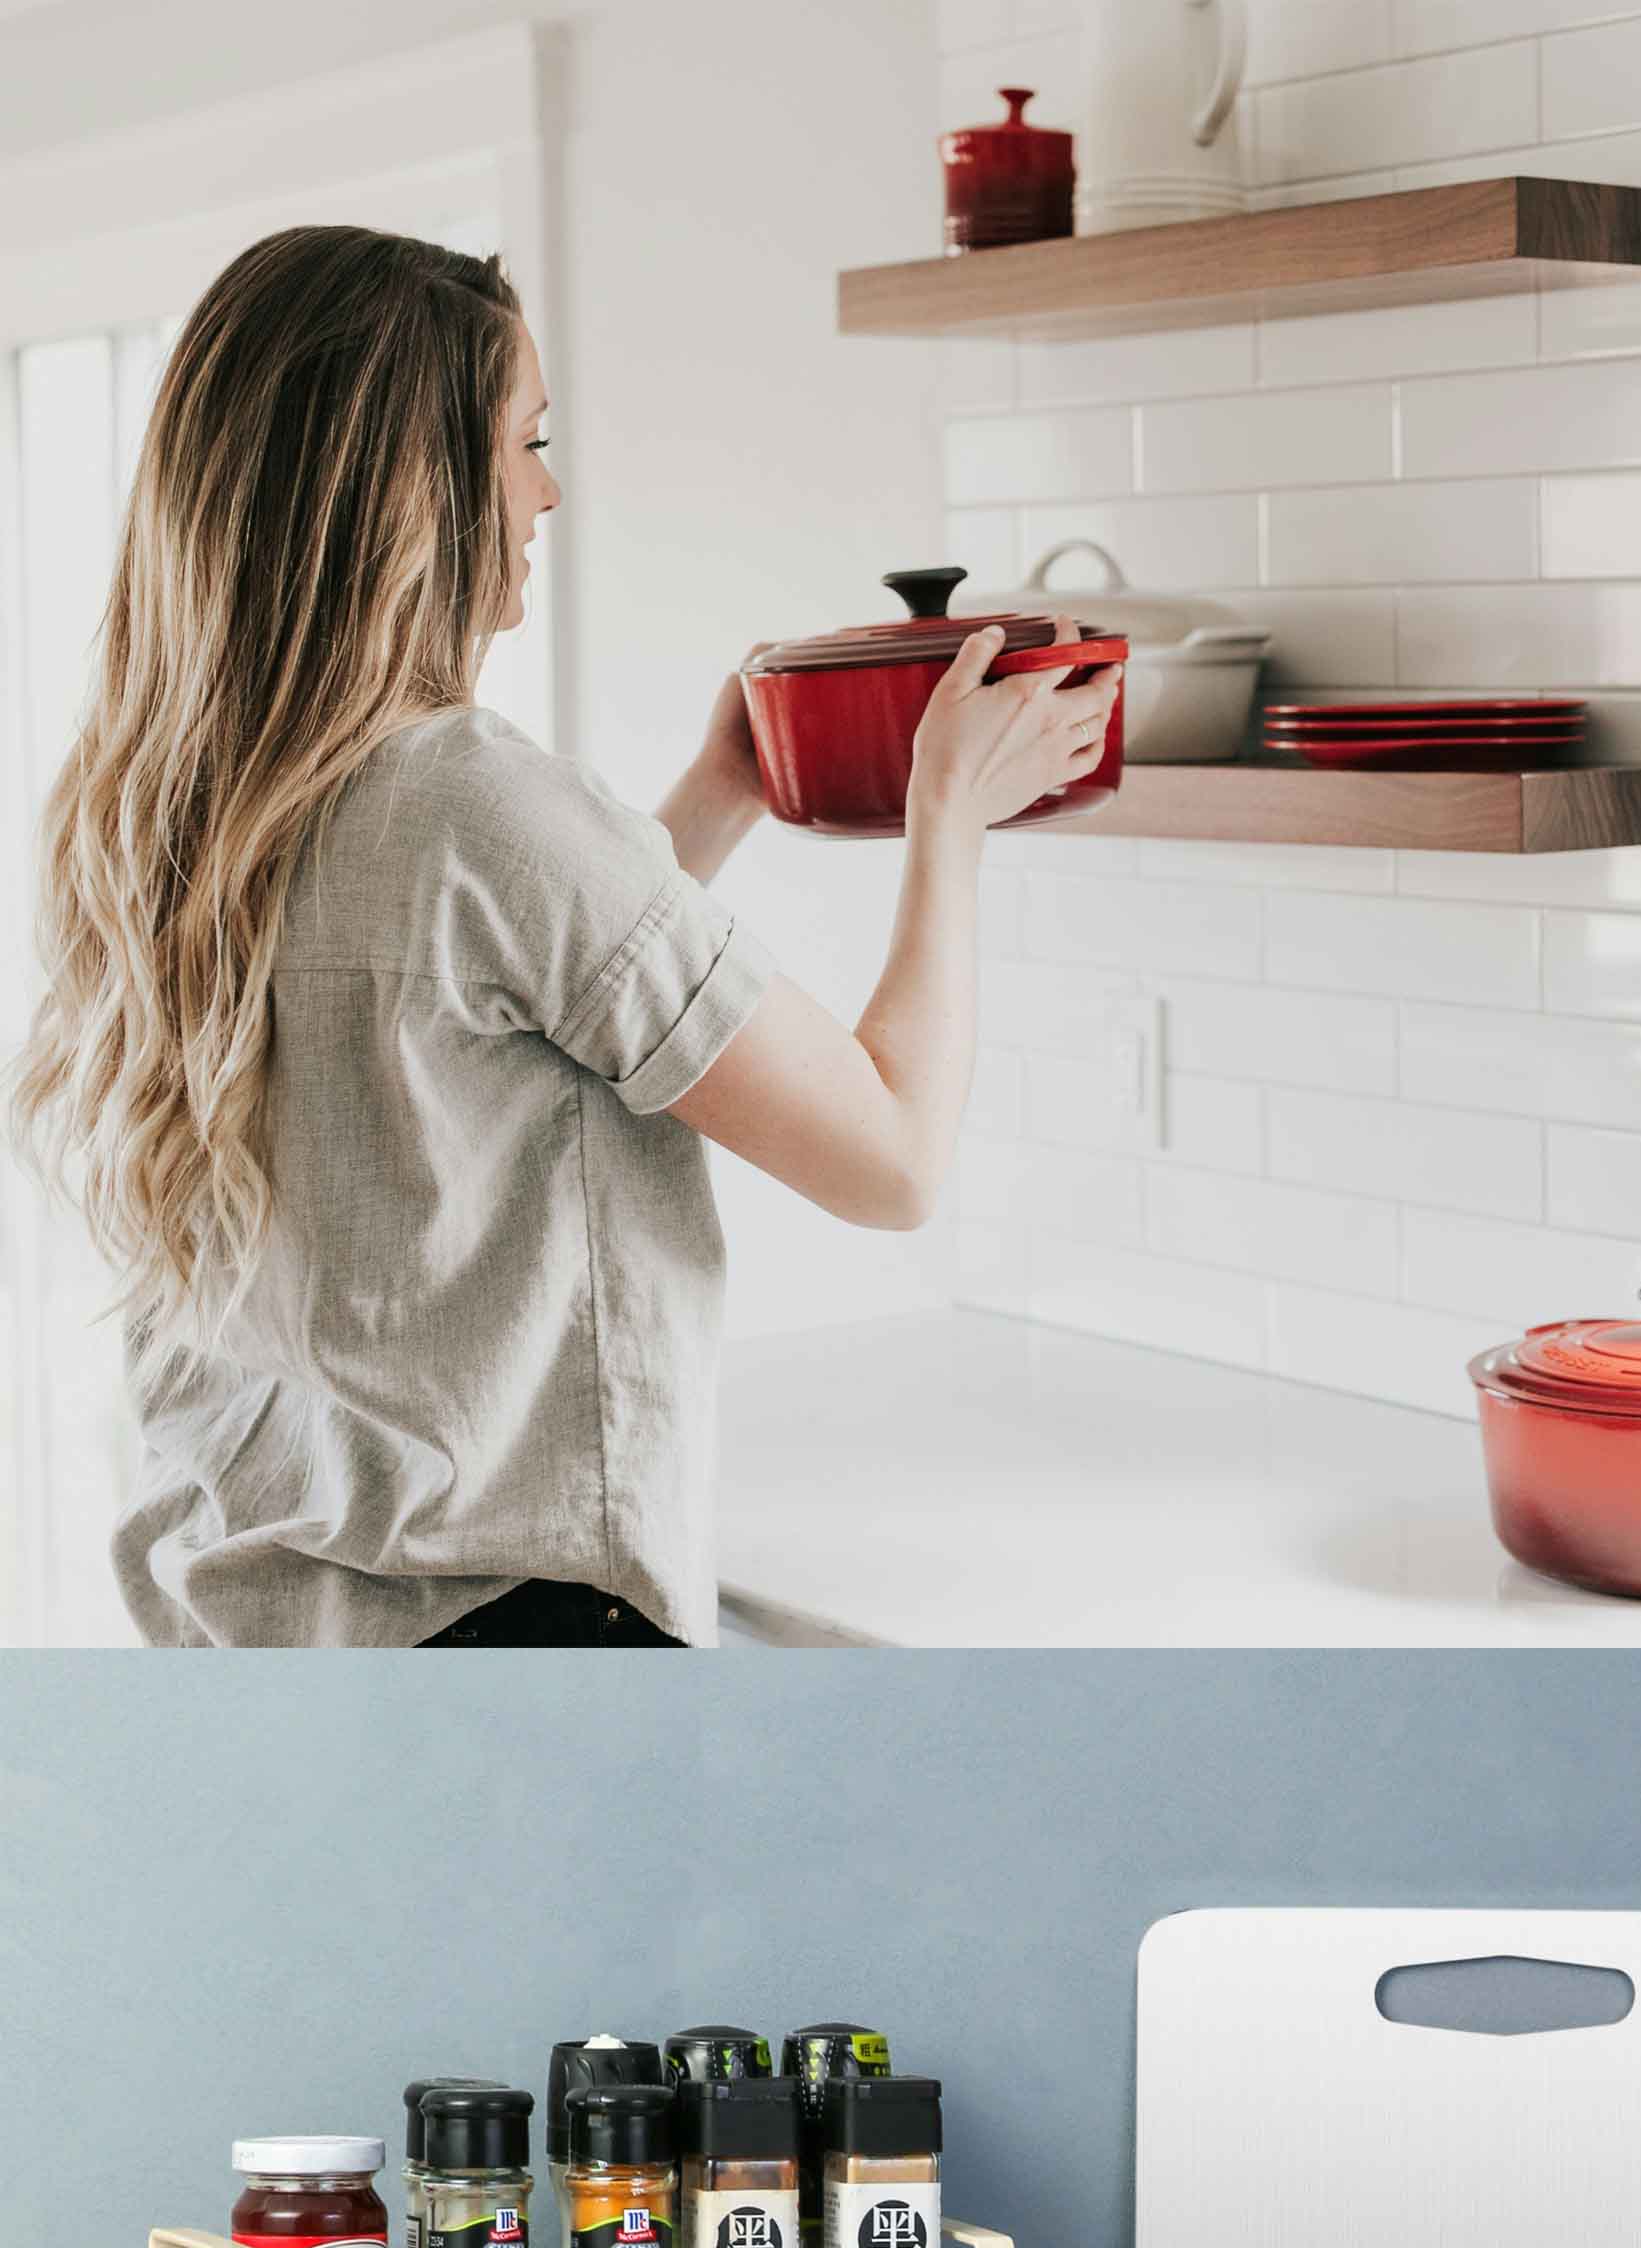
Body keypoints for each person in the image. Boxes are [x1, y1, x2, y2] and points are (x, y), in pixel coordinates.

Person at [3, 223, 1106, 1646]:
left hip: (246, 1632)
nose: (551, 490)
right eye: (526, 440)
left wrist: (716, 798)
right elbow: (892, 1159)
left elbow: (488, 1001)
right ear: (413, 489)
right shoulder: (474, 798)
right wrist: (949, 809)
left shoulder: (161, 811)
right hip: (504, 1653)